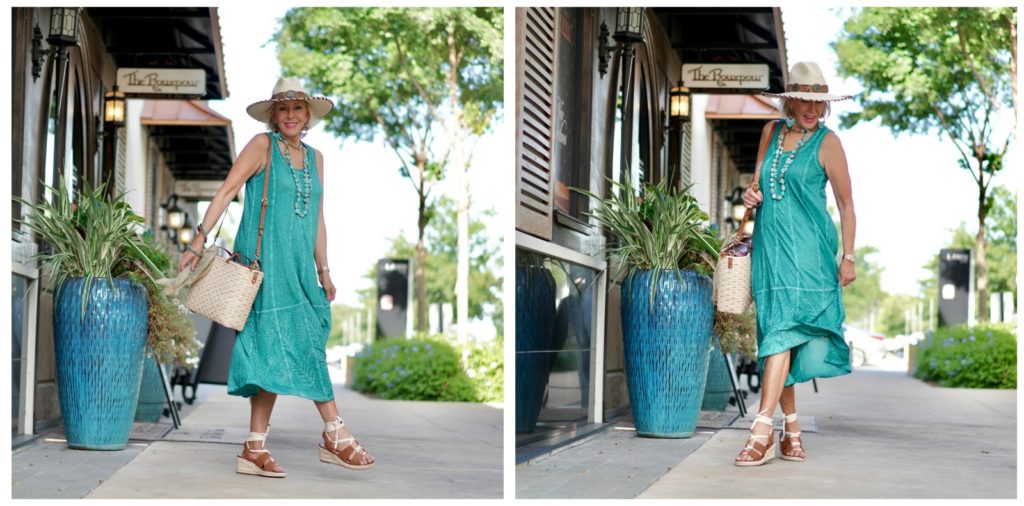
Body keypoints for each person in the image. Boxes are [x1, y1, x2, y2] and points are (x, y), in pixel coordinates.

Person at [178, 77, 375, 478]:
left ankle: (253, 448)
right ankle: (335, 432)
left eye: (297, 109)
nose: (290, 115)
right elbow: (227, 190)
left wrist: (324, 268)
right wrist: (198, 241)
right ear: (273, 115)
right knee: (296, 342)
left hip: (300, 266)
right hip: (263, 265)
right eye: (282, 109)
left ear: (307, 115)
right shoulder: (261, 146)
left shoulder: (317, 158)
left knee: (281, 346)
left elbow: (317, 217)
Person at [734, 61, 857, 466]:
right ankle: (793, 429)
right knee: (775, 336)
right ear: (790, 100)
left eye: (819, 102)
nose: (812, 109)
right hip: (770, 248)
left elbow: (845, 204)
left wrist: (849, 255)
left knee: (784, 331)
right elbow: (758, 184)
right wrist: (751, 198)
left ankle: (761, 430)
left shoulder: (828, 142)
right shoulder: (771, 132)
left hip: (809, 254)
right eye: (805, 99)